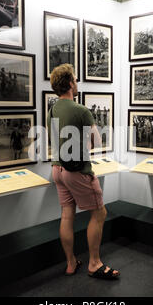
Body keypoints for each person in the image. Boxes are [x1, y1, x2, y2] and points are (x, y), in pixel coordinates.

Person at [47, 64, 120, 280]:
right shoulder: (81, 110)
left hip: (57, 169)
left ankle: (71, 263)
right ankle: (94, 264)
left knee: (67, 214)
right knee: (99, 213)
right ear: (70, 83)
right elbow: (97, 140)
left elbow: (54, 138)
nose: (77, 83)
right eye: (75, 80)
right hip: (77, 171)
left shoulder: (53, 109)